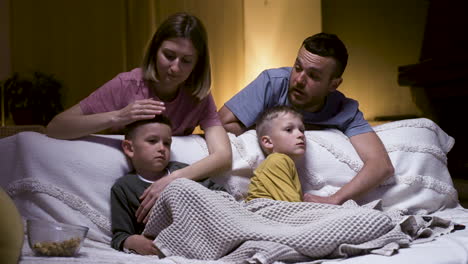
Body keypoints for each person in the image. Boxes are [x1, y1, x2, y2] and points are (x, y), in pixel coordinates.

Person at [46, 12, 232, 222]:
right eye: (169, 56)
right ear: (154, 51)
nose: (175, 67)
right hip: (124, 190)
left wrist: (174, 179)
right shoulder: (127, 84)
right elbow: (56, 127)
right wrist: (118, 117)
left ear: (198, 64)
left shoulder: (197, 96)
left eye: (187, 61)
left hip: (169, 188)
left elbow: (223, 156)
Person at [219, 32, 394, 205]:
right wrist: (269, 130)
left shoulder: (345, 110)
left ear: (334, 84)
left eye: (313, 76)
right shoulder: (273, 83)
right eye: (298, 67)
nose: (299, 80)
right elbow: (222, 122)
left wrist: (335, 199)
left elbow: (381, 165)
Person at [110, 115, 223, 255]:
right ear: (129, 148)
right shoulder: (124, 187)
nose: (162, 148)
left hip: (208, 233)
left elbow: (221, 195)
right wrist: (131, 241)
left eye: (167, 143)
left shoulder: (181, 171)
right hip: (166, 245)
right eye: (152, 141)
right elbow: (120, 235)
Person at [245, 106, 306, 203]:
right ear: (268, 142)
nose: (301, 135)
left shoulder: (286, 163)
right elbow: (293, 206)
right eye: (289, 129)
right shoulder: (277, 160)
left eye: (302, 130)